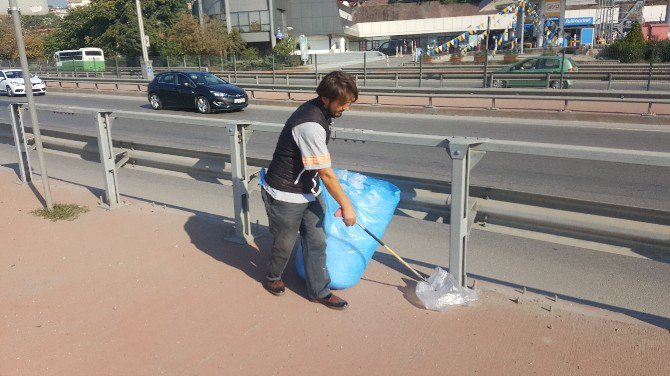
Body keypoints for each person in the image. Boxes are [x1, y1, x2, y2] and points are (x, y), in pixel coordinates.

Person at [261, 70, 358, 310]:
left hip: (308, 190)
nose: (346, 108)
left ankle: (319, 291)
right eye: (343, 103)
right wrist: (346, 206)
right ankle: (273, 277)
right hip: (284, 193)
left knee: (316, 241)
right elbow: (326, 173)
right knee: (284, 244)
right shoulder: (310, 124)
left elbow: (319, 168)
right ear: (325, 99)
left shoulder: (321, 111)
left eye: (349, 103)